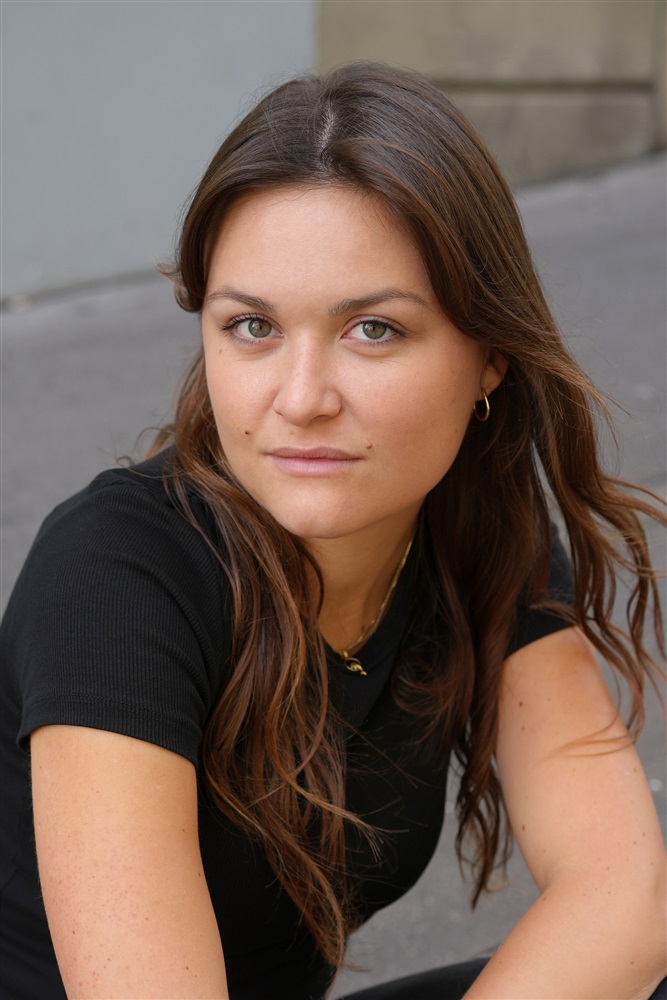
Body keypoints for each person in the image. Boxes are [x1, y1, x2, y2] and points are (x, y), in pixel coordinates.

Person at [1, 62, 665, 1000]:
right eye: (252, 327)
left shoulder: (478, 539)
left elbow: (624, 893)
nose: (301, 399)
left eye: (373, 330)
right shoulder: (113, 576)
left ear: (489, 357)